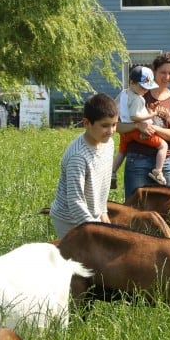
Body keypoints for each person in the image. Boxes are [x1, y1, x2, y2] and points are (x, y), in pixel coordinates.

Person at [49, 93, 118, 239]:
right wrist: (95, 230)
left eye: (114, 124)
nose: (111, 131)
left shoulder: (108, 144)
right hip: (69, 220)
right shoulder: (78, 156)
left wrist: (102, 211)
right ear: (86, 123)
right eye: (105, 125)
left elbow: (103, 184)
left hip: (93, 213)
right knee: (74, 261)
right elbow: (75, 201)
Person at [119, 52, 170, 200]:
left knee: (169, 208)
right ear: (154, 70)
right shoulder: (138, 92)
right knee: (134, 208)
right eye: (163, 72)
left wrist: (151, 128)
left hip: (165, 163)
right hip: (137, 159)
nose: (166, 77)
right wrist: (137, 126)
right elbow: (118, 127)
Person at [111, 66, 167, 188]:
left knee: (122, 150)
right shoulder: (137, 99)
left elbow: (114, 107)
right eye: (143, 87)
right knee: (163, 145)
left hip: (125, 131)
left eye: (148, 88)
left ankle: (112, 171)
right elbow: (135, 116)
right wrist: (151, 114)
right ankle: (158, 171)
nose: (145, 91)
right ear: (132, 82)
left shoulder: (123, 93)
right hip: (136, 131)